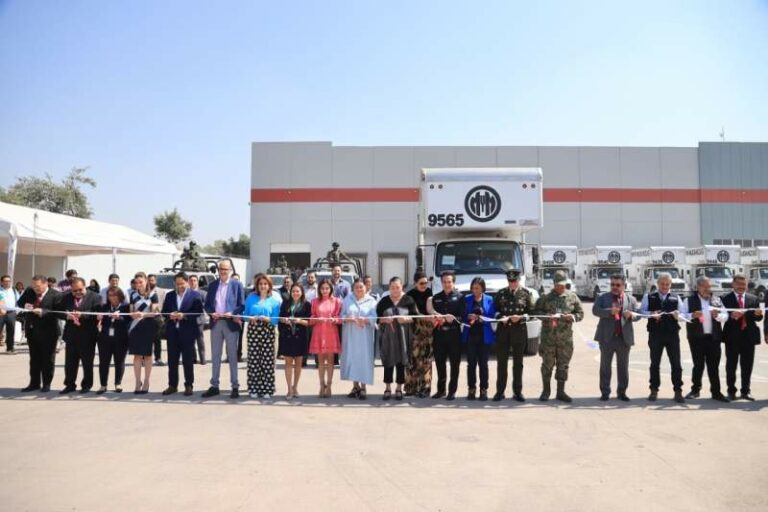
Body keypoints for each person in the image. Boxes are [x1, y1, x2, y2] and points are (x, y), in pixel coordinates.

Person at [535, 271, 584, 402]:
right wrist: (547, 317)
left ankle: (560, 392)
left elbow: (580, 313)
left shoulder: (572, 297)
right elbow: (536, 312)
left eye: (563, 285)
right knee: (547, 365)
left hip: (565, 340)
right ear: (554, 284)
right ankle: (546, 391)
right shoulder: (545, 298)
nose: (561, 287)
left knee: (563, 366)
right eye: (558, 285)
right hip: (548, 339)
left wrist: (572, 317)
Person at [680, 276, 729, 402]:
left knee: (714, 366)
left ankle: (716, 392)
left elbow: (726, 315)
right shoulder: (689, 300)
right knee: (698, 365)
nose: (708, 289)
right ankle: (695, 390)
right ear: (698, 287)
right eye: (705, 287)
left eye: (709, 286)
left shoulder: (717, 299)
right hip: (696, 338)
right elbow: (681, 316)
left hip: (714, 338)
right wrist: (692, 315)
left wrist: (718, 316)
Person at [592, 273, 640, 401]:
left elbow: (638, 315)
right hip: (607, 338)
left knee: (623, 367)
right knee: (605, 366)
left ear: (624, 285)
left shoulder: (631, 299)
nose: (614, 287)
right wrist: (609, 312)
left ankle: (622, 392)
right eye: (612, 284)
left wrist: (632, 315)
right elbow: (595, 310)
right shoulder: (602, 297)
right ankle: (605, 392)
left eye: (618, 285)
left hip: (624, 339)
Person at [203, 259, 246, 399]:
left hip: (230, 323)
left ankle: (235, 386)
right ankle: (214, 385)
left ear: (230, 271)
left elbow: (242, 304)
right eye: (221, 269)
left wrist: (232, 313)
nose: (223, 271)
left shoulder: (237, 285)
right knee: (215, 356)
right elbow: (207, 304)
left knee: (232, 356)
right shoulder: (212, 285)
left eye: (225, 269)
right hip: (216, 323)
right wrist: (211, 313)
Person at [640, 272, 685, 403]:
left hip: (672, 335)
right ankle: (654, 390)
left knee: (676, 364)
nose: (664, 286)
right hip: (655, 334)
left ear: (670, 284)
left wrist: (678, 316)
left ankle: (678, 391)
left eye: (667, 284)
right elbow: (641, 312)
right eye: (662, 284)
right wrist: (651, 313)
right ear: (658, 283)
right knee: (655, 364)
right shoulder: (649, 296)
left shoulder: (676, 297)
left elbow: (684, 315)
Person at [493, 269, 534, 402]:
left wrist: (521, 317)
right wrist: (501, 317)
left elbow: (531, 313)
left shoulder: (526, 294)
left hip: (519, 332)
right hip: (503, 332)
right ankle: (500, 392)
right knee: (501, 363)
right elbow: (494, 310)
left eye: (514, 281)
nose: (512, 284)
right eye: (510, 281)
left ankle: (517, 392)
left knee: (518, 364)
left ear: (519, 280)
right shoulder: (501, 293)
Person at [720, 274, 763, 401]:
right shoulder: (724, 298)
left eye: (743, 284)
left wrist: (758, 314)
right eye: (738, 284)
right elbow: (721, 316)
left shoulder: (753, 298)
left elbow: (758, 318)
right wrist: (731, 315)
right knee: (731, 366)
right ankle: (731, 391)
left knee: (747, 366)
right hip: (732, 338)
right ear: (733, 284)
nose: (741, 287)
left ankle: (745, 391)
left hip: (749, 337)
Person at [161, 272, 204, 396]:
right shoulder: (169, 295)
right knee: (172, 360)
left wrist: (184, 316)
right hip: (172, 332)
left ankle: (189, 385)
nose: (180, 286)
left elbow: (198, 312)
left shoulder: (195, 295)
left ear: (187, 282)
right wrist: (170, 315)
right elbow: (164, 312)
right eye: (177, 284)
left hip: (188, 332)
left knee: (188, 360)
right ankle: (172, 385)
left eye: (182, 283)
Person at [16, 275, 62, 392]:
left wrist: (43, 311)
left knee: (48, 359)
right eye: (34, 286)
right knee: (34, 359)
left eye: (38, 286)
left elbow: (59, 312)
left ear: (46, 284)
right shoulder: (29, 291)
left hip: (49, 332)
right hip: (32, 331)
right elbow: (19, 303)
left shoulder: (56, 295)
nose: (35, 289)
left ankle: (46, 384)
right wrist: (25, 305)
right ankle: (34, 383)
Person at [58, 277, 102, 394]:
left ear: (85, 286)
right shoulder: (66, 297)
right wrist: (66, 316)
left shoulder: (95, 297)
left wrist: (82, 315)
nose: (77, 292)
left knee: (87, 363)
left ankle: (86, 385)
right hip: (71, 334)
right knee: (70, 363)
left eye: (80, 290)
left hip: (88, 335)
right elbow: (59, 311)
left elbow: (97, 314)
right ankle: (69, 385)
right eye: (74, 290)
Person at [376, 277, 417, 401]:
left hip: (403, 336)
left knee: (401, 361)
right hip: (387, 336)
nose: (395, 290)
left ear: (402, 287)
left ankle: (399, 388)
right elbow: (377, 318)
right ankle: (387, 388)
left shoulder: (408, 300)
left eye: (397, 287)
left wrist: (406, 319)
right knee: (388, 361)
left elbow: (415, 317)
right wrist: (384, 320)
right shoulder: (384, 301)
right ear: (389, 288)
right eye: (392, 287)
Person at [426, 271, 465, 400]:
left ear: (453, 282)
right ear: (441, 283)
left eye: (449, 282)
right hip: (439, 335)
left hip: (454, 335)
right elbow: (432, 314)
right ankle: (441, 390)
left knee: (455, 364)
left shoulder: (460, 297)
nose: (447, 284)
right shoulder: (436, 298)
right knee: (440, 363)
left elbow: (463, 317)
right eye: (444, 282)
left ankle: (452, 391)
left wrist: (453, 319)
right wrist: (435, 317)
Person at [244, 274, 282, 399]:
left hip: (268, 330)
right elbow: (245, 314)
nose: (263, 286)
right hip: (254, 330)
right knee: (254, 360)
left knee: (267, 361)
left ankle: (267, 389)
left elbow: (276, 319)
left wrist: (268, 319)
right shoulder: (251, 298)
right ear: (257, 285)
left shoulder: (274, 301)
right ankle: (254, 388)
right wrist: (250, 318)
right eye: (260, 284)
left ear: (269, 286)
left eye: (265, 284)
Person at [340, 279, 377, 399]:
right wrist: (348, 318)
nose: (359, 289)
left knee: (364, 360)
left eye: (361, 287)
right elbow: (341, 316)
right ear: (353, 288)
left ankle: (363, 387)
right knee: (352, 359)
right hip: (351, 335)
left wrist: (366, 320)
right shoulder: (347, 300)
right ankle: (355, 386)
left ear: (365, 288)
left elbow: (375, 317)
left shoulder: (371, 301)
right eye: (356, 287)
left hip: (365, 336)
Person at [461, 277, 496, 401]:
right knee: (471, 364)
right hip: (471, 336)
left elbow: (492, 315)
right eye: (473, 288)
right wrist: (468, 316)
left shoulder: (489, 299)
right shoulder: (466, 299)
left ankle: (483, 390)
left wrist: (482, 318)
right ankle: (471, 389)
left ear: (482, 288)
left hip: (484, 336)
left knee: (483, 364)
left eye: (477, 288)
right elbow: (462, 315)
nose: (475, 290)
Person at [128, 272, 160, 394]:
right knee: (137, 355)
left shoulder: (153, 295)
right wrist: (134, 314)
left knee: (147, 355)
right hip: (135, 327)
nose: (138, 284)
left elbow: (154, 313)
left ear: (146, 281)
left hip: (148, 326)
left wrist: (143, 314)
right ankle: (137, 382)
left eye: (141, 282)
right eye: (136, 282)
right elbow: (131, 312)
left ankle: (146, 381)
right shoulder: (133, 295)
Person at [277, 283, 311, 399]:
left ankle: (295, 387)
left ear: (302, 292)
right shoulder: (285, 303)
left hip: (300, 337)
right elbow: (280, 318)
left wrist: (299, 321)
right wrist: (285, 320)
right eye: (293, 291)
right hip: (287, 336)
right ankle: (289, 389)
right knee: (288, 363)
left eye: (298, 291)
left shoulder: (307, 305)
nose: (295, 293)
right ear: (290, 292)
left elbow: (309, 322)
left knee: (298, 364)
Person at [310, 279, 342, 398]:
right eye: (322, 288)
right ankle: (321, 385)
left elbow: (340, 318)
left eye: (327, 288)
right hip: (319, 332)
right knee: (320, 362)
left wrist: (335, 319)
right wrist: (315, 319)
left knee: (330, 362)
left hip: (331, 333)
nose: (325, 291)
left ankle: (329, 386)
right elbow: (312, 316)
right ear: (319, 289)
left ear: (331, 289)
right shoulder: (314, 301)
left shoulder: (337, 301)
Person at [404, 271, 433, 398]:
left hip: (428, 330)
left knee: (426, 359)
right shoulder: (409, 295)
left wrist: (434, 315)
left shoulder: (429, 292)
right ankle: (411, 387)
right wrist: (425, 317)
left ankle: (425, 388)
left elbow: (430, 308)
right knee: (413, 359)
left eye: (426, 283)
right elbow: (413, 312)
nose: (424, 285)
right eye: (421, 283)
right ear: (415, 283)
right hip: (414, 329)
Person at [96, 286, 130, 394]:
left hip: (121, 338)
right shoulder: (104, 307)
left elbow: (129, 321)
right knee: (103, 362)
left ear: (120, 296)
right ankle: (103, 385)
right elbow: (98, 320)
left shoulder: (126, 307)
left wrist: (120, 318)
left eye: (114, 295)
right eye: (110, 295)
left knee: (119, 362)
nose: (112, 297)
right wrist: (99, 318)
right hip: (105, 338)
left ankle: (118, 384)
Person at [188, 275, 208, 364]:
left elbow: (207, 305)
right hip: (189, 320)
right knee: (190, 340)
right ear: (188, 282)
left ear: (197, 282)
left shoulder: (203, 293)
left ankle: (202, 359)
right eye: (191, 280)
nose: (193, 282)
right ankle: (193, 358)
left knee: (200, 339)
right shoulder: (186, 293)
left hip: (199, 319)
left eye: (194, 280)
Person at [147, 273, 165, 366]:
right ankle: (146, 359)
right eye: (149, 280)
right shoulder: (143, 291)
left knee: (157, 340)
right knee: (146, 340)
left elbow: (163, 304)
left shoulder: (161, 291)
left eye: (152, 280)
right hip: (146, 318)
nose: (151, 282)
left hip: (157, 318)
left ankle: (158, 358)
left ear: (156, 281)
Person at [0, 274, 20, 353]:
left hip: (11, 313)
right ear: (1, 282)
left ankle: (10, 348)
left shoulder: (14, 290)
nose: (7, 283)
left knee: (11, 330)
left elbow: (18, 300)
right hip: (0, 313)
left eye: (9, 281)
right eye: (5, 281)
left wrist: (17, 311)